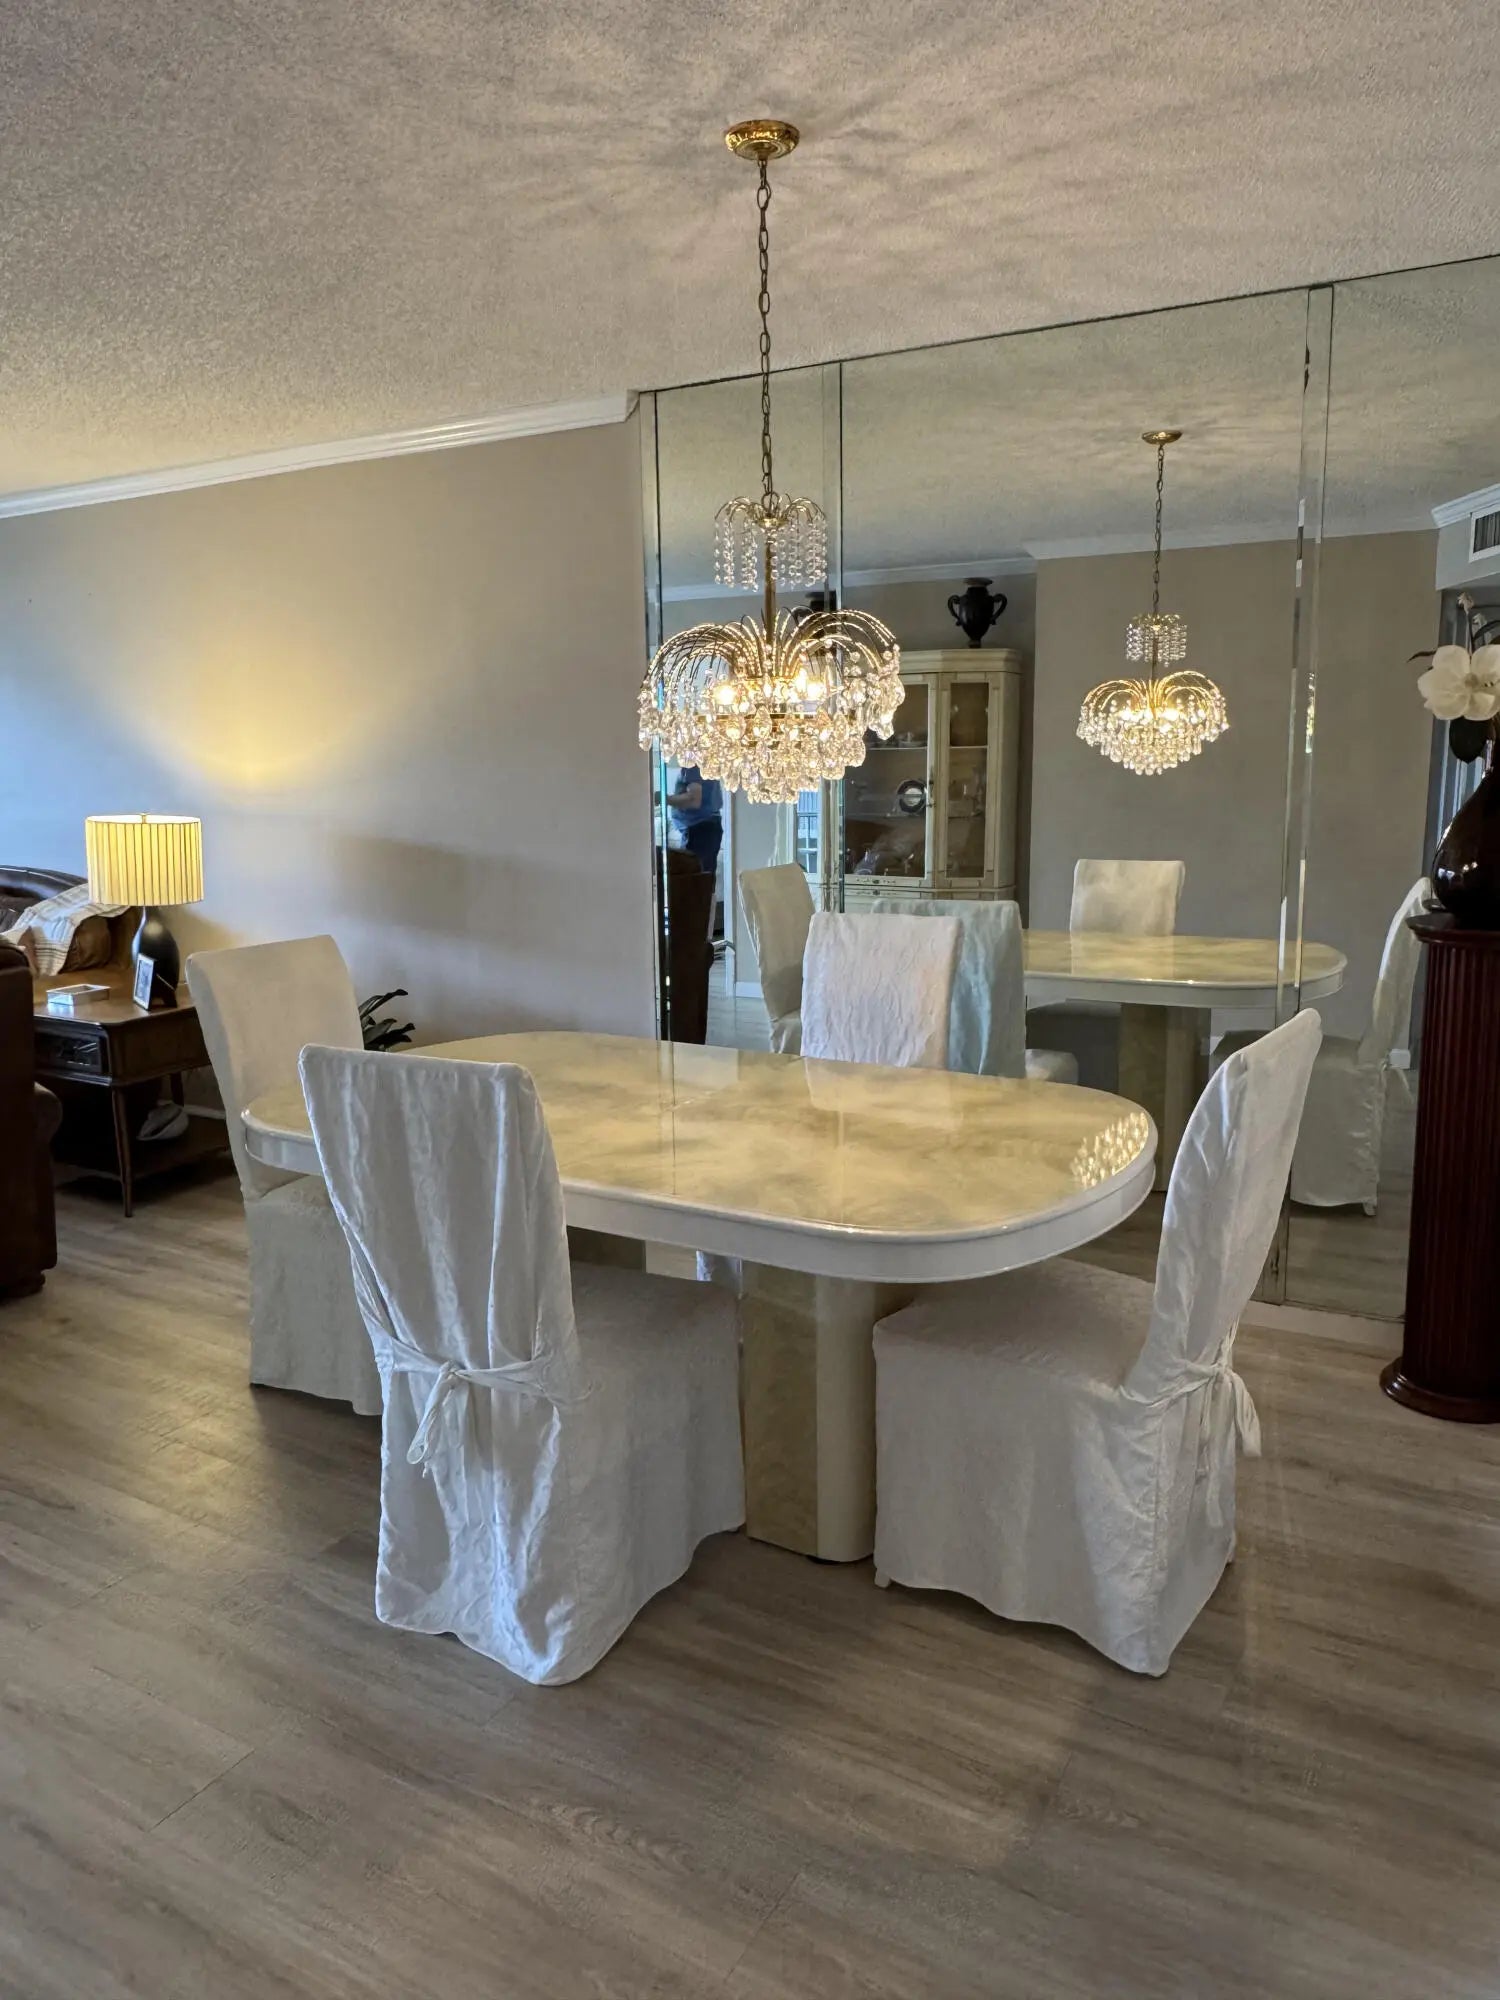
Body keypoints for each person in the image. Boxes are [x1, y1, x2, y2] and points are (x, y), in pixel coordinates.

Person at [667, 765, 724, 877]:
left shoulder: (693, 765)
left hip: (699, 830)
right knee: (703, 879)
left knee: (694, 879)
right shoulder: (705, 763)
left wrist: (665, 799)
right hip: (705, 829)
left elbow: (693, 800)